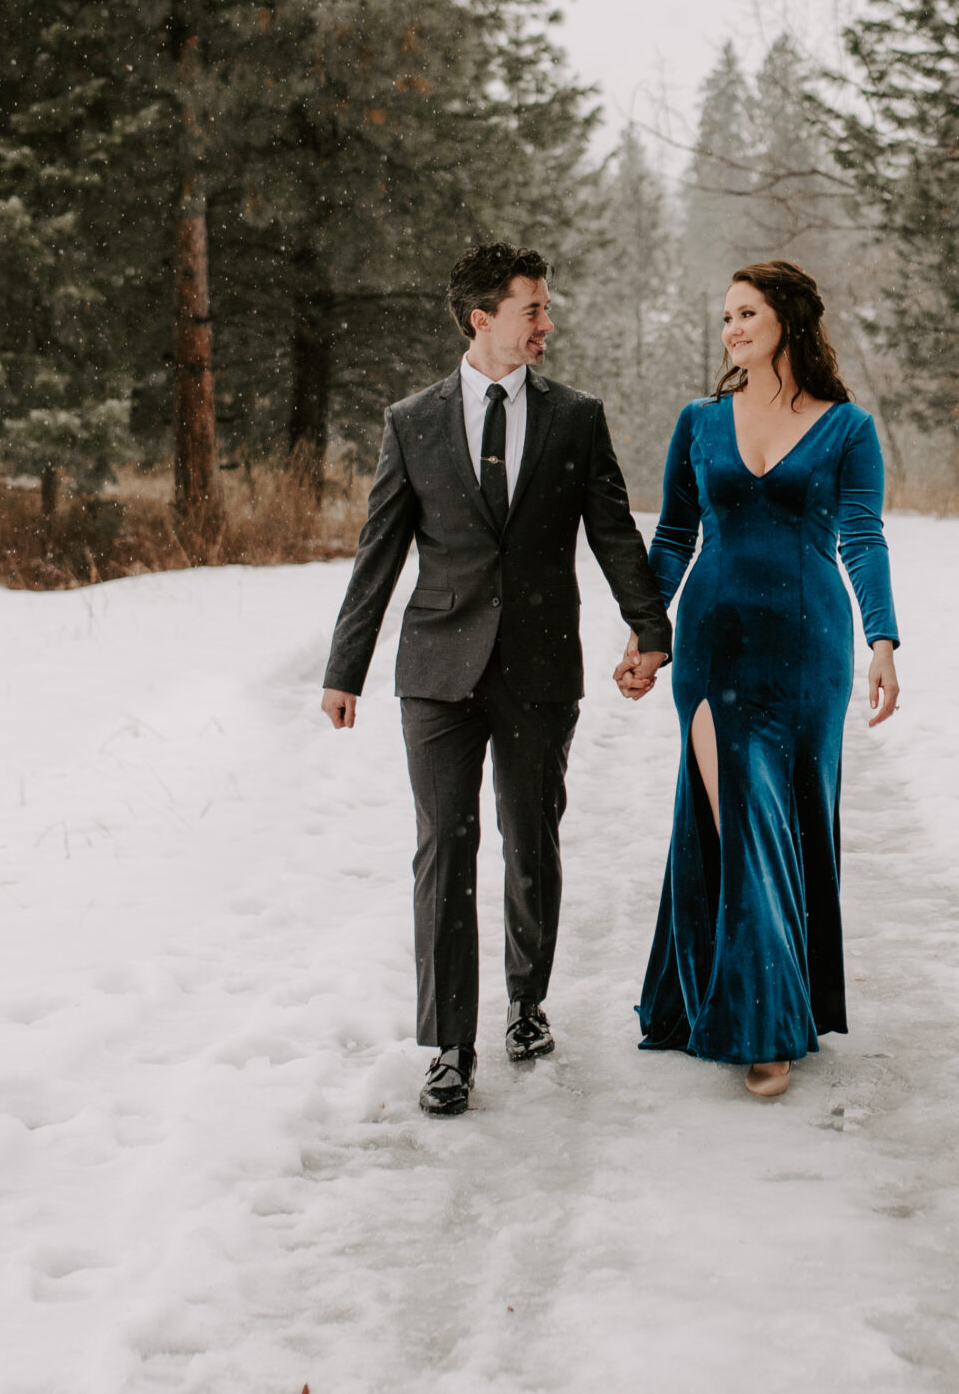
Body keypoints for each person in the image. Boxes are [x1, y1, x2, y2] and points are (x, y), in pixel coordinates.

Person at [321, 243, 673, 1117]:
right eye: (533, 310)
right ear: (483, 319)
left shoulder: (577, 418)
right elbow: (380, 552)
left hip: (540, 666)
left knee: (531, 839)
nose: (547, 324)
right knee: (444, 849)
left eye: (546, 309)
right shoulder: (413, 421)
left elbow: (613, 535)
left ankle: (525, 1000)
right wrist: (346, 667)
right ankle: (448, 1045)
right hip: (437, 670)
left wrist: (650, 627)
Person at [630, 260, 901, 1099]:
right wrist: (649, 632)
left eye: (746, 312)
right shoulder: (699, 423)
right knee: (744, 819)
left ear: (786, 319)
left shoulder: (848, 428)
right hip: (714, 644)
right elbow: (674, 535)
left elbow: (862, 536)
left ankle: (754, 996)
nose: (732, 329)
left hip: (811, 649)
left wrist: (883, 638)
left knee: (793, 825)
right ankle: (763, 1025)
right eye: (724, 317)